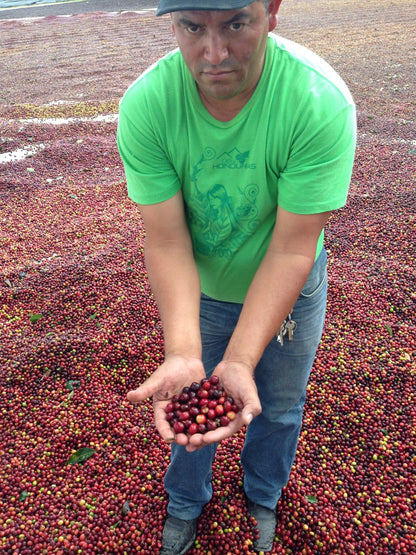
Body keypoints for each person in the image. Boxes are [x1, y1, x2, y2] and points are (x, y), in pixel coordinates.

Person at [117, 1, 356, 553]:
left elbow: (292, 245)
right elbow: (168, 239)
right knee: (188, 392)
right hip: (204, 285)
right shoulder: (149, 105)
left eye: (236, 24)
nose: (215, 53)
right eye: (192, 28)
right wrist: (181, 349)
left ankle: (263, 493)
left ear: (271, 10)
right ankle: (184, 501)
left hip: (291, 285)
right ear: (173, 23)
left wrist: (243, 357)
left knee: (280, 402)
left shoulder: (316, 102)